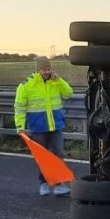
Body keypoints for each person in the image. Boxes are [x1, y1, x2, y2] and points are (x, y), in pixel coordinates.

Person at [14, 56, 74, 196]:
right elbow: (20, 107)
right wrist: (20, 126)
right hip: (38, 127)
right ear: (37, 70)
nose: (46, 71)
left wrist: (59, 81)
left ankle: (59, 184)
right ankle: (44, 183)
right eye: (43, 69)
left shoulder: (55, 82)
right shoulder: (27, 85)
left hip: (56, 125)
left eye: (48, 68)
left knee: (58, 154)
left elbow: (69, 93)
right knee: (43, 157)